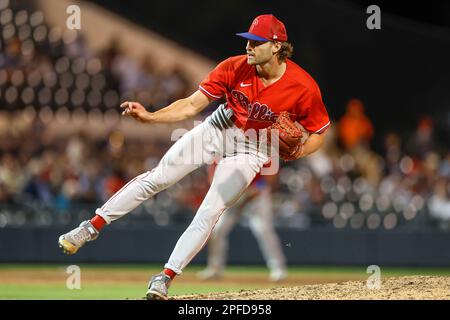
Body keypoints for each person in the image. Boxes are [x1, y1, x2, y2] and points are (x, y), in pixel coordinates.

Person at [58, 14, 330, 300]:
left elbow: (319, 133)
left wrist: (299, 150)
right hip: (219, 127)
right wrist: (151, 117)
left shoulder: (303, 86)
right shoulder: (234, 67)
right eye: (248, 41)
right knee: (159, 178)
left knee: (210, 211)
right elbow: (191, 105)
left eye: (256, 42)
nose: (248, 47)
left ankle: (165, 277)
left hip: (254, 150)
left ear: (276, 47)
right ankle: (91, 227)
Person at [197, 166, 287, 282]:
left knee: (262, 229)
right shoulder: (219, 154)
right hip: (232, 195)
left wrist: (254, 191)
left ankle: (278, 268)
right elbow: (213, 180)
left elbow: (271, 176)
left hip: (255, 194)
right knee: (217, 229)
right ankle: (214, 268)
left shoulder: (259, 149)